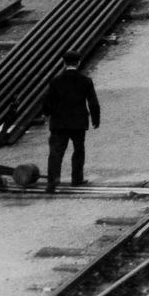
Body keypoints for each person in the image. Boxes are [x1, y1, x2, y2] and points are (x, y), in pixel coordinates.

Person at [43, 50, 100, 192]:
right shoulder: (86, 81)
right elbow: (93, 102)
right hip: (78, 122)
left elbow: (47, 102)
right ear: (79, 63)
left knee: (56, 152)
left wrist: (48, 113)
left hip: (59, 123)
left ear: (64, 63)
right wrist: (95, 119)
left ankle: (53, 181)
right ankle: (77, 179)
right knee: (78, 150)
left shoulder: (55, 81)